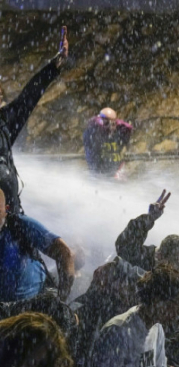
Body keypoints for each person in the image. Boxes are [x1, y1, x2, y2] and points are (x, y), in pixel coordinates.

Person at [0, 27, 68, 212]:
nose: (1, 100)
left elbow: (28, 97)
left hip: (11, 216)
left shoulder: (4, 122)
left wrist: (53, 67)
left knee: (55, 241)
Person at [0, 188, 75, 302]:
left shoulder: (20, 225)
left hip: (33, 303)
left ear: (6, 209)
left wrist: (62, 297)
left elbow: (63, 252)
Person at [115, 190, 179, 272]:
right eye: (176, 261)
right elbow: (125, 247)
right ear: (160, 256)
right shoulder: (146, 263)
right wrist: (148, 219)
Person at [83, 107, 133, 176]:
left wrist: (119, 170)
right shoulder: (93, 131)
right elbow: (91, 157)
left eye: (113, 124)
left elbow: (124, 149)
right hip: (98, 173)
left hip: (116, 171)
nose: (111, 127)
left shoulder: (121, 130)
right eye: (107, 123)